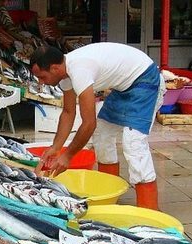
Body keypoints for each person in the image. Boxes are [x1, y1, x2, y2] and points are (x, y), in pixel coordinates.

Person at [30, 43, 165, 210]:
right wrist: (56, 147)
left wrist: (68, 155)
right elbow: (68, 112)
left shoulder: (79, 70)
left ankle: (149, 209)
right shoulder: (65, 75)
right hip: (123, 88)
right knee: (102, 134)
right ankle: (109, 193)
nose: (41, 83)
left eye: (42, 77)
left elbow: (88, 123)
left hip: (145, 79)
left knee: (133, 143)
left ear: (55, 68)